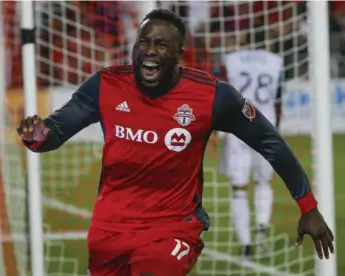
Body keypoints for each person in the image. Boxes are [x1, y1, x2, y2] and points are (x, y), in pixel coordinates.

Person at [17, 9, 334, 276]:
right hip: (108, 230)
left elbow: (270, 142)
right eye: (144, 41)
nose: (150, 50)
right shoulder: (106, 85)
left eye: (161, 44)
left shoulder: (212, 95)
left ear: (180, 54)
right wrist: (38, 136)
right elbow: (55, 131)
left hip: (172, 228)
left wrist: (308, 207)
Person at [219, 30, 284, 257]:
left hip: (238, 129)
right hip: (266, 127)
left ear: (245, 40)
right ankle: (262, 228)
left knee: (239, 188)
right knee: (263, 181)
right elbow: (278, 99)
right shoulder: (276, 62)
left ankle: (246, 243)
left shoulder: (231, 60)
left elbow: (222, 95)